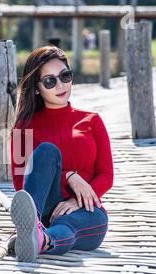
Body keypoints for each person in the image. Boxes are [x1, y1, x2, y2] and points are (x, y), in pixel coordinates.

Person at [8, 45, 114, 262]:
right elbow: (21, 184)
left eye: (65, 76)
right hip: (43, 210)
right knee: (46, 152)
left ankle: (39, 240)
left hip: (86, 212)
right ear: (37, 88)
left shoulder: (92, 120)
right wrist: (69, 175)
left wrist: (76, 201)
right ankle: (34, 228)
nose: (60, 85)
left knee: (71, 225)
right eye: (50, 80)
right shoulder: (22, 128)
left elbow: (106, 175)